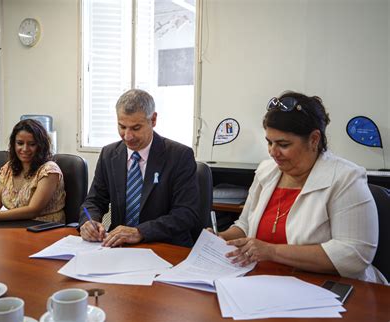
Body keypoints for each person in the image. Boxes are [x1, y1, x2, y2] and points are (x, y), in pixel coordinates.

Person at [219, 91, 386, 284]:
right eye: (269, 142)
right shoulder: (266, 172)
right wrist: (221, 238)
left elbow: (354, 255)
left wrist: (271, 251)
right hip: (265, 282)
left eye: (283, 144)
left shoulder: (346, 178)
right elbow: (245, 226)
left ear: (314, 139)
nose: (273, 152)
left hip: (326, 288)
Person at [79, 89, 201, 247]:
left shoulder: (179, 156)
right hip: (118, 246)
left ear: (154, 120)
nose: (127, 136)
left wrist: (141, 232)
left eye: (136, 128)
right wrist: (89, 222)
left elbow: (186, 213)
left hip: (164, 246)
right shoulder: (109, 154)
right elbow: (94, 201)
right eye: (122, 127)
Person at [0, 119, 66, 224]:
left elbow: (33, 210)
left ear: (40, 146)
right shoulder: (9, 167)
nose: (25, 149)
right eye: (20, 143)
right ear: (13, 144)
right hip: (14, 225)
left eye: (32, 144)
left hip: (44, 228)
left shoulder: (49, 171)